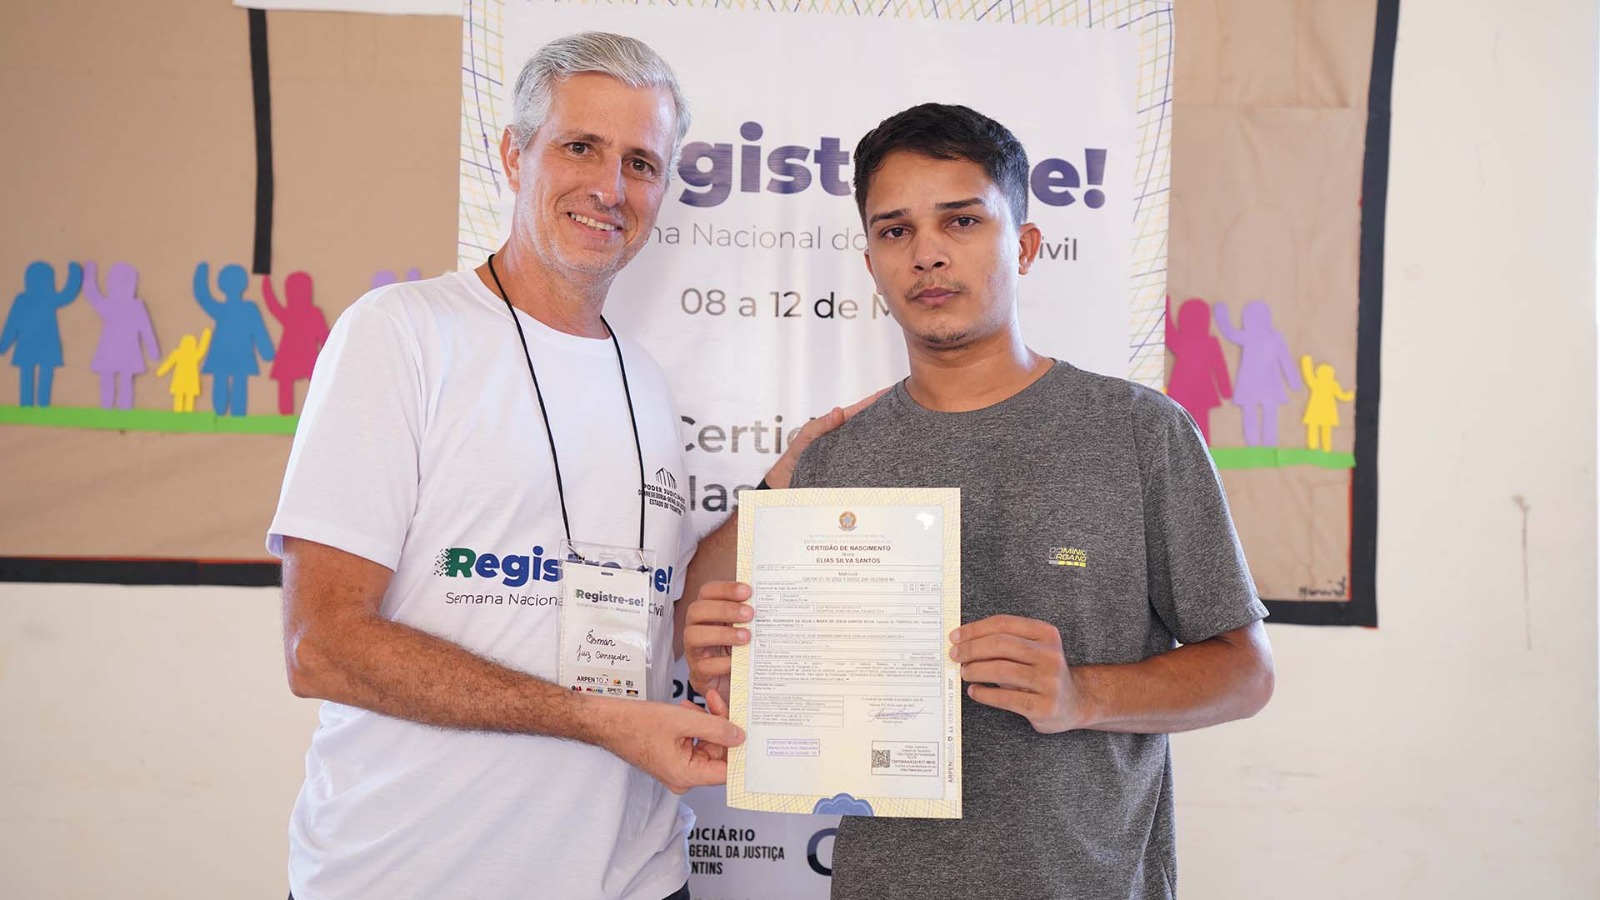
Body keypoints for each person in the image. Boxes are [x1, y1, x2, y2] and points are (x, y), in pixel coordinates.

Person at [267, 32, 847, 900]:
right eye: (582, 146)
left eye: (642, 163)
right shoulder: (402, 334)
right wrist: (596, 721)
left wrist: (783, 486)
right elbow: (322, 646)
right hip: (410, 878)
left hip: (634, 879)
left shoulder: (644, 380)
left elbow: (669, 603)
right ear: (513, 153)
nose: (611, 188)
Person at [684, 104, 1276, 900]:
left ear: (1025, 244)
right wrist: (737, 648)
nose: (927, 253)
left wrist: (1083, 694)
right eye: (895, 231)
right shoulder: (835, 457)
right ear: (870, 263)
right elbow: (726, 646)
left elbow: (1245, 673)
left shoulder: (1140, 432)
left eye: (961, 220)